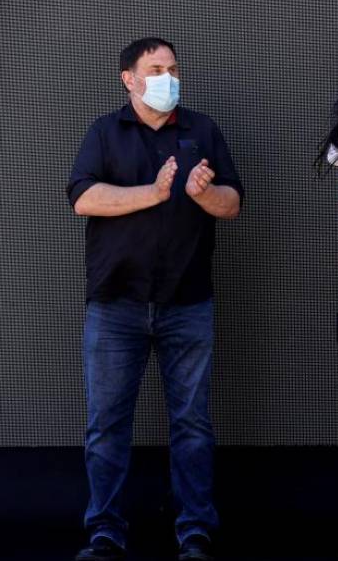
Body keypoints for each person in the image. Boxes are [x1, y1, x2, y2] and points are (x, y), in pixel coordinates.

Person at [67, 37, 244, 561]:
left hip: (187, 302)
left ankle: (195, 532)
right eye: (155, 68)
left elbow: (232, 202)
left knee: (191, 423)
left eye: (172, 68)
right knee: (106, 425)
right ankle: (105, 532)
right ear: (129, 78)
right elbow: (82, 197)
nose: (167, 76)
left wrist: (201, 194)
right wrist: (154, 192)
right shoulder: (104, 131)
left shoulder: (202, 130)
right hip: (115, 303)